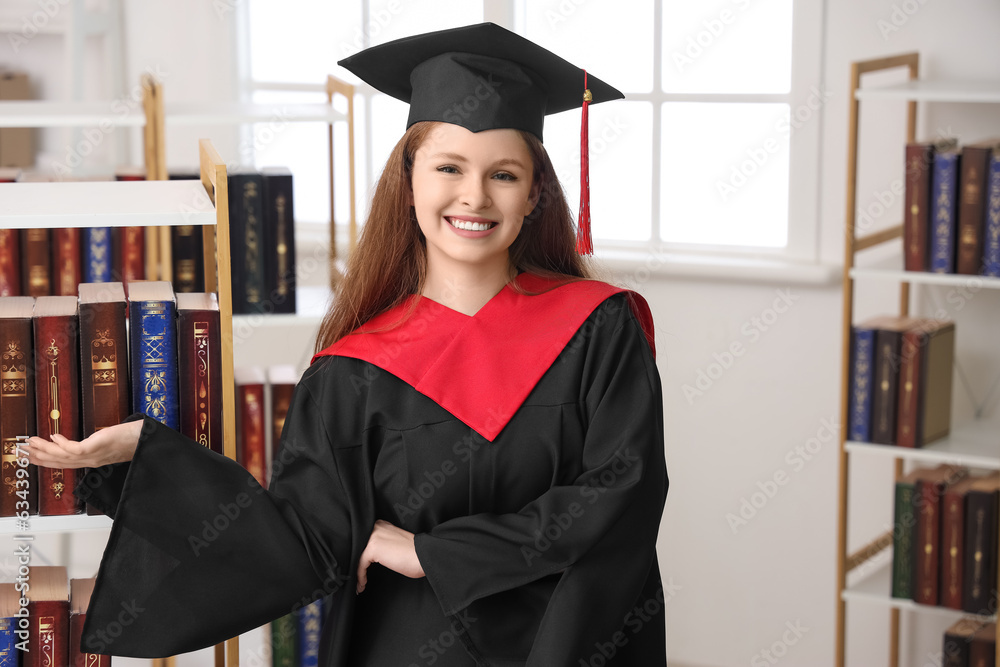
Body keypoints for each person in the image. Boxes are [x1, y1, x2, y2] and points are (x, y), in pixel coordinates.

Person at [21, 22, 668, 666]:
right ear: (409, 178)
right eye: (449, 167)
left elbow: (621, 497)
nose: (474, 194)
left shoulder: (598, 331)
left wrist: (428, 551)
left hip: (566, 645)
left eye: (503, 173)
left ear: (533, 194)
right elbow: (302, 542)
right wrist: (146, 455)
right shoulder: (354, 370)